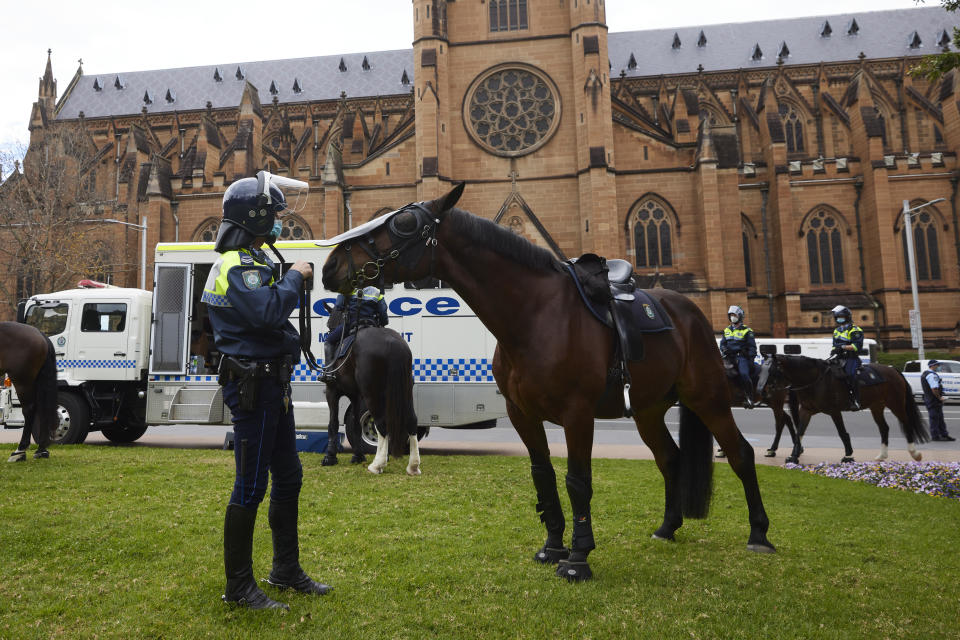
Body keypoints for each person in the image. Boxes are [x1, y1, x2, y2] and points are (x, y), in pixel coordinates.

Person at [201, 171, 332, 610]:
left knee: (289, 477)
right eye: (274, 214)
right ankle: (239, 586)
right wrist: (294, 276)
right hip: (252, 387)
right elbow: (267, 312)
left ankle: (285, 569)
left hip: (274, 384)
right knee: (250, 485)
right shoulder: (235, 265)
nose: (279, 220)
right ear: (255, 218)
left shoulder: (254, 262)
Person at [320, 286, 388, 383]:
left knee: (329, 341)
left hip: (352, 324)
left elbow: (338, 306)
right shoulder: (377, 291)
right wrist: (383, 322)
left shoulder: (347, 288)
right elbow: (383, 312)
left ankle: (329, 373)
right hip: (372, 325)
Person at [719, 305, 757, 409]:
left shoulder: (747, 330)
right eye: (730, 315)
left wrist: (751, 359)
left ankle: (750, 397)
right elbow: (722, 344)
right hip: (728, 357)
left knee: (744, 374)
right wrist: (724, 349)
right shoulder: (726, 330)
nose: (732, 317)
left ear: (739, 316)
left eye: (734, 315)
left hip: (741, 358)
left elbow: (752, 347)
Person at [830, 304, 863, 411]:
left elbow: (856, 346)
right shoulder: (837, 330)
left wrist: (842, 347)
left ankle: (856, 400)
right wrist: (834, 350)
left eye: (841, 317)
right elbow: (835, 345)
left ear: (847, 317)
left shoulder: (855, 330)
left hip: (851, 358)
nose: (839, 319)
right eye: (837, 317)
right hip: (839, 357)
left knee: (850, 374)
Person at [922, 360, 955, 441]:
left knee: (939, 418)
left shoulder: (926, 374)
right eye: (937, 365)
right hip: (933, 400)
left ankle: (943, 434)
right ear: (932, 365)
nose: (938, 367)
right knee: (935, 418)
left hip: (930, 399)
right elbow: (934, 388)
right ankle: (936, 436)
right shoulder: (931, 375)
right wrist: (939, 398)